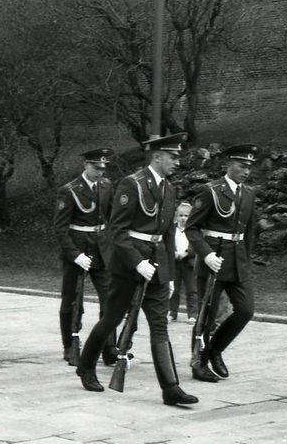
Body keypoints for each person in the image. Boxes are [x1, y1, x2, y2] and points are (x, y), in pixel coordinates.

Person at [73, 133, 199, 406]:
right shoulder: (133, 185)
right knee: (112, 319)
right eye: (173, 157)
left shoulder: (169, 188)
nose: (177, 162)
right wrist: (137, 262)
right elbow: (117, 231)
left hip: (156, 267)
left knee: (159, 325)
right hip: (129, 267)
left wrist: (169, 275)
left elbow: (166, 234)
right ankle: (86, 366)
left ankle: (170, 387)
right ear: (157, 156)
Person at [185, 144, 259, 383]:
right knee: (207, 315)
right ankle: (199, 362)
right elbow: (192, 227)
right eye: (241, 165)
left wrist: (245, 260)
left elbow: (250, 231)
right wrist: (205, 254)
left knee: (246, 310)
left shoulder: (248, 194)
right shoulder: (211, 191)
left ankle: (215, 350)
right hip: (213, 260)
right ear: (229, 165)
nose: (246, 171)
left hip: (237, 262)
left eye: (249, 166)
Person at [52, 148, 118, 366]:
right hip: (78, 249)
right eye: (96, 167)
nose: (100, 172)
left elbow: (110, 218)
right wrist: (75, 254)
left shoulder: (107, 186)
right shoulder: (69, 190)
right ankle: (70, 345)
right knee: (72, 301)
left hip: (100, 248)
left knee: (110, 299)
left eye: (103, 168)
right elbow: (60, 229)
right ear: (86, 165)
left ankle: (109, 346)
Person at [170, 201, 198, 324]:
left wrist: (186, 252)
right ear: (177, 216)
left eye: (186, 216)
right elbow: (169, 242)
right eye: (181, 215)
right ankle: (172, 312)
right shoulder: (173, 229)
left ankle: (192, 314)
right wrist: (174, 252)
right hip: (175, 262)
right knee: (174, 289)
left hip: (188, 262)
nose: (183, 218)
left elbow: (195, 244)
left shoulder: (192, 229)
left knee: (191, 289)